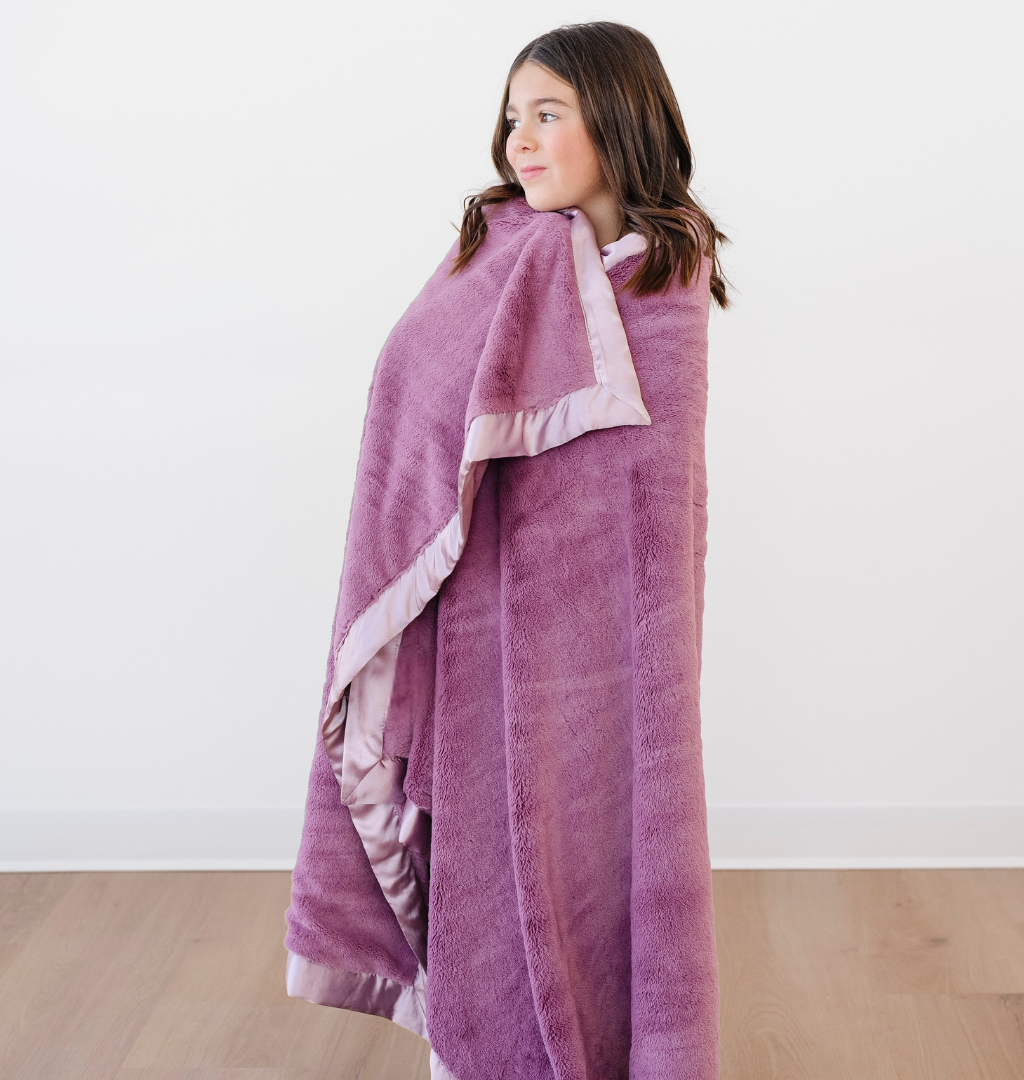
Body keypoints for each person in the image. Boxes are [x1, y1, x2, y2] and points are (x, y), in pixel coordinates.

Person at [285, 21, 728, 1080]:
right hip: (481, 638)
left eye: (547, 114)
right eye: (512, 116)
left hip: (618, 661)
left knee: (614, 857)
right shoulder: (494, 258)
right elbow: (407, 394)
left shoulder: (666, 289)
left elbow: (658, 518)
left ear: (617, 121)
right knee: (489, 861)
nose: (518, 141)